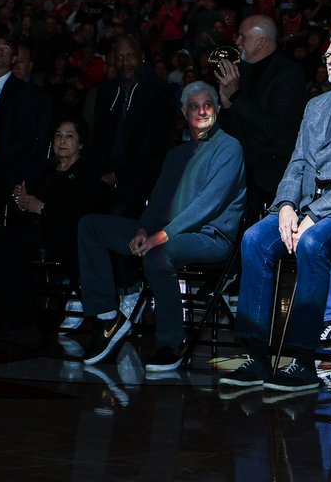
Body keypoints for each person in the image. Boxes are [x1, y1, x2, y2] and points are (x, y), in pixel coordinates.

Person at [219, 32, 331, 393]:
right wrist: (285, 205)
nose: (330, 59)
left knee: (313, 242)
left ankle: (304, 361)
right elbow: (298, 161)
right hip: (309, 206)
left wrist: (313, 215)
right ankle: (257, 356)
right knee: (255, 237)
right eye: (327, 54)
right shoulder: (316, 106)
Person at [76, 82, 246, 374]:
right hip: (164, 233)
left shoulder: (229, 148)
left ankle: (172, 341)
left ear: (217, 108)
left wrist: (159, 236)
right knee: (91, 226)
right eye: (194, 106)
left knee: (158, 254)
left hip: (210, 237)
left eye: (208, 104)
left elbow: (208, 205)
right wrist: (144, 229)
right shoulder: (176, 155)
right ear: (184, 112)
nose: (202, 110)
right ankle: (109, 317)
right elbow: (158, 203)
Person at [0, 117, 108, 327]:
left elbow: (79, 217)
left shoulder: (86, 175)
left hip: (66, 236)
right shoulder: (48, 171)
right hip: (40, 230)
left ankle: (22, 311)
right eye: (58, 136)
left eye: (69, 136)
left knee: (13, 242)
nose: (62, 141)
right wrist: (21, 200)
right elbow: (31, 207)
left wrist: (41, 208)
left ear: (81, 143)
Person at [214, 14, 307, 210]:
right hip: (241, 173)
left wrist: (237, 97)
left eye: (242, 36)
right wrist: (228, 105)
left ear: (261, 42)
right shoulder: (243, 70)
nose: (237, 41)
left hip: (271, 179)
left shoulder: (289, 74)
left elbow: (273, 128)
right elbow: (235, 128)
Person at [84, 34, 175, 217]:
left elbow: (156, 146)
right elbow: (99, 138)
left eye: (130, 56)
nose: (125, 62)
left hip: (142, 176)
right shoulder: (107, 91)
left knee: (118, 213)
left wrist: (117, 174)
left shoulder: (159, 90)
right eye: (119, 58)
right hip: (107, 173)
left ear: (141, 56)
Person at [0, 34, 53, 197]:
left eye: (5, 49)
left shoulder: (25, 92)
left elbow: (24, 139)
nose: (0, 51)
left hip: (8, 171)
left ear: (13, 59)